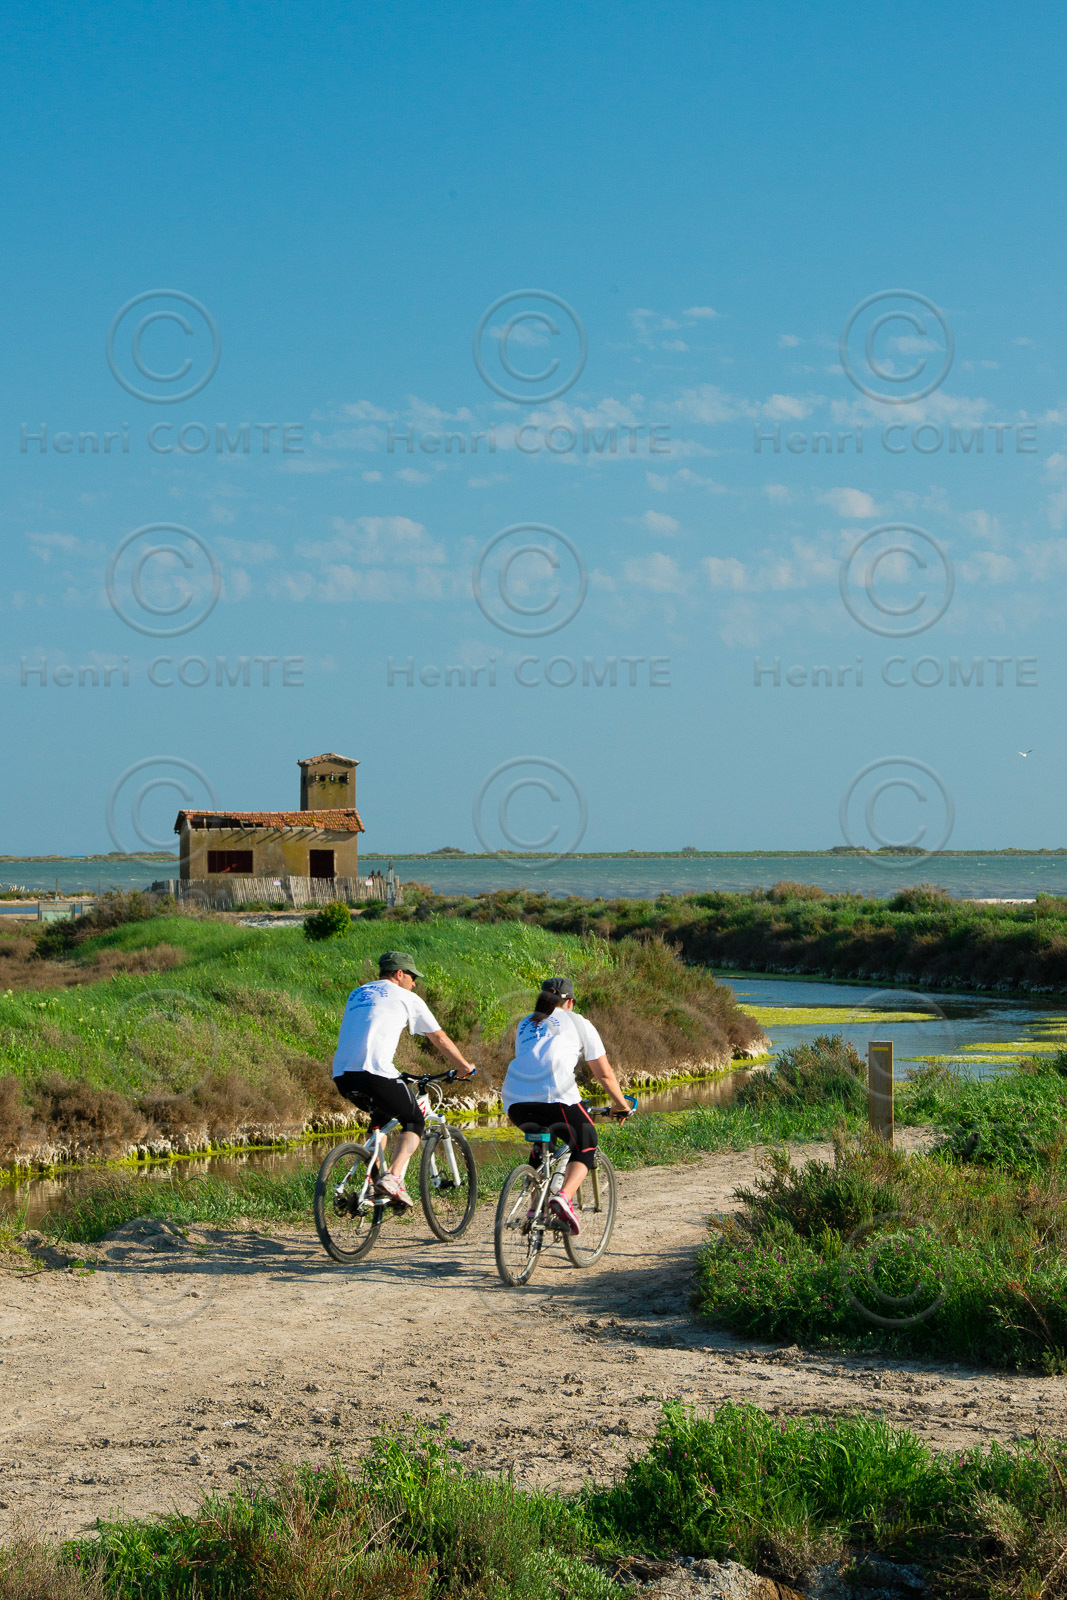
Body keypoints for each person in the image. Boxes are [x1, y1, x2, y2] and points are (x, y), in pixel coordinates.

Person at [332, 950, 476, 1209]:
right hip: (374, 1072)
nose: (415, 982)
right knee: (413, 1120)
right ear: (399, 974)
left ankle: (375, 1185)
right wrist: (464, 1066)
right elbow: (439, 1038)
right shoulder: (406, 997)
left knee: (381, 1120)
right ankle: (394, 1177)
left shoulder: (358, 993)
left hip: (342, 1076)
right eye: (412, 976)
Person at [502, 976, 632, 1236]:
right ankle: (563, 1197)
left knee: (545, 1140)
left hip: (514, 1101)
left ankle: (532, 1208)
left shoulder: (526, 1022)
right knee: (586, 1139)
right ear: (570, 1001)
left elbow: (531, 1060)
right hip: (556, 1095)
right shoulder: (579, 1021)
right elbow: (604, 1073)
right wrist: (621, 1105)